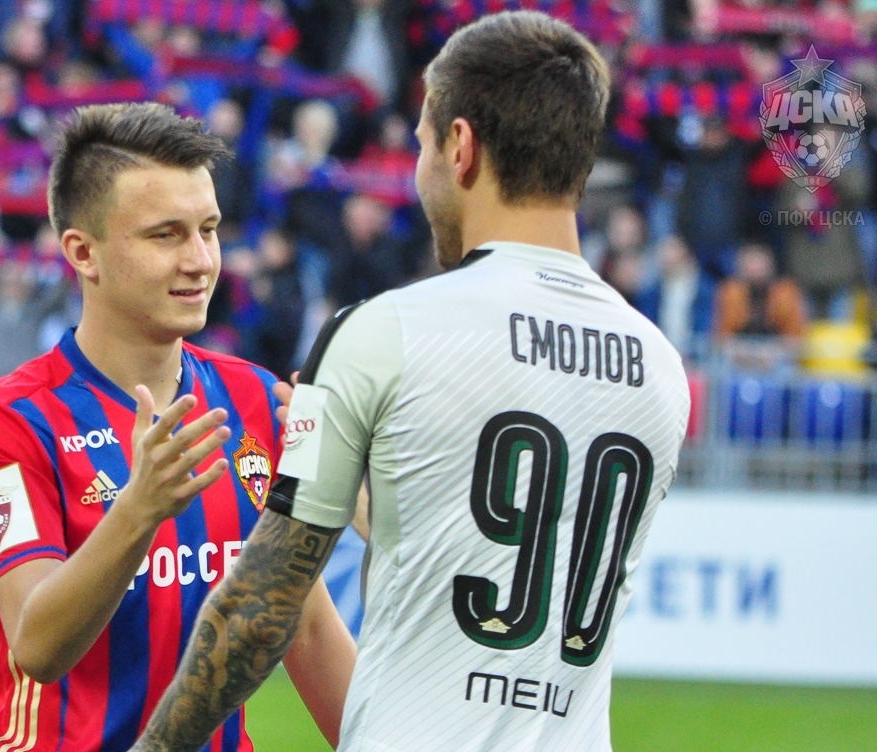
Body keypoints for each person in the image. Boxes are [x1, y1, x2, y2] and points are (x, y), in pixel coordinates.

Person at [131, 11, 690, 752]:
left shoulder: (386, 332)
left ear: (460, 147)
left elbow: (260, 609)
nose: (421, 174)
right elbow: (496, 548)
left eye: (423, 145)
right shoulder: (659, 365)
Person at [0, 103, 354, 751]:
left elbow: (303, 626)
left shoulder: (256, 399)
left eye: (208, 230)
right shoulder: (8, 421)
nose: (200, 260)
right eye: (166, 235)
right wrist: (137, 512)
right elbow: (37, 646)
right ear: (84, 253)